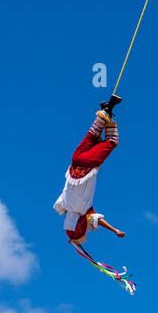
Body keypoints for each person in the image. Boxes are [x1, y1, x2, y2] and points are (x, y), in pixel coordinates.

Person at [54, 96, 126, 245]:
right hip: (75, 159)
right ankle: (106, 108)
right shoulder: (63, 204)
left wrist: (115, 231)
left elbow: (97, 220)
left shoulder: (85, 210)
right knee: (93, 135)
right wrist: (71, 237)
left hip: (89, 164)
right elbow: (70, 219)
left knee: (112, 141)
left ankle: (110, 106)